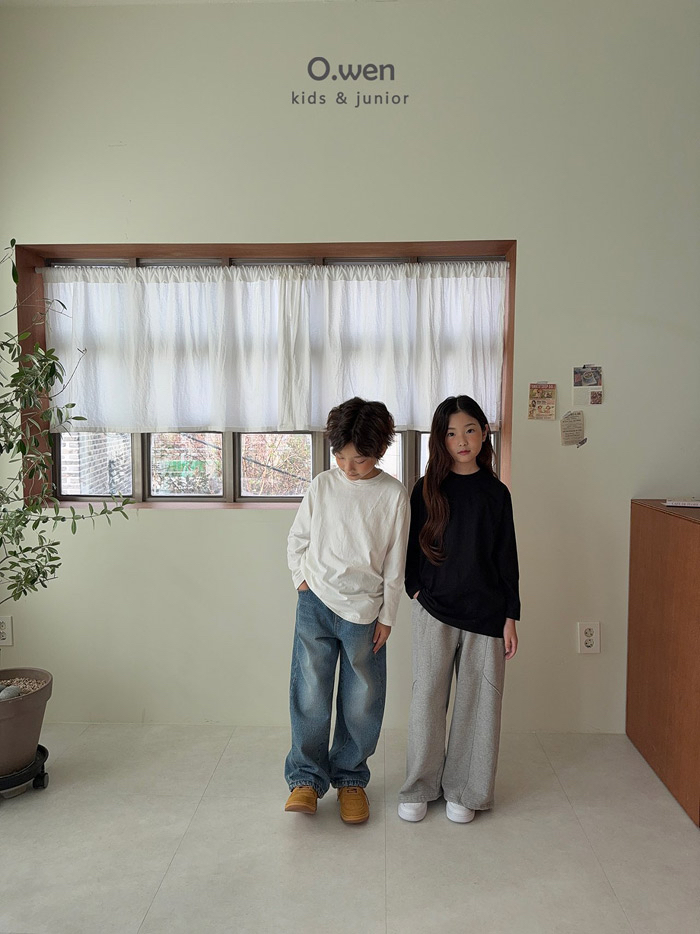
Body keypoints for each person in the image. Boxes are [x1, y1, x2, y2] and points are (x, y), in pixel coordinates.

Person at [285, 397, 410, 824]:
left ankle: (351, 779)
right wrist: (301, 581)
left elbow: (396, 562)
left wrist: (388, 615)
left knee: (362, 699)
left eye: (359, 459)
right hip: (315, 603)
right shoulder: (322, 485)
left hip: (365, 612)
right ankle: (305, 779)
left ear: (380, 449)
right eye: (340, 457)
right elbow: (297, 538)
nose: (348, 467)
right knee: (310, 692)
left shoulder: (393, 495)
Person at [398, 395, 520, 824]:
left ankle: (466, 790)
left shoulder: (497, 493)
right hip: (433, 609)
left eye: (469, 430)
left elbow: (507, 558)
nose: (461, 440)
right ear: (441, 439)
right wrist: (415, 590)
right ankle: (419, 786)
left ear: (484, 432)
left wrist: (510, 616)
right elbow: (409, 547)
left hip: (486, 615)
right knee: (427, 700)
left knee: (478, 704)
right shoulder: (426, 488)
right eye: (451, 433)